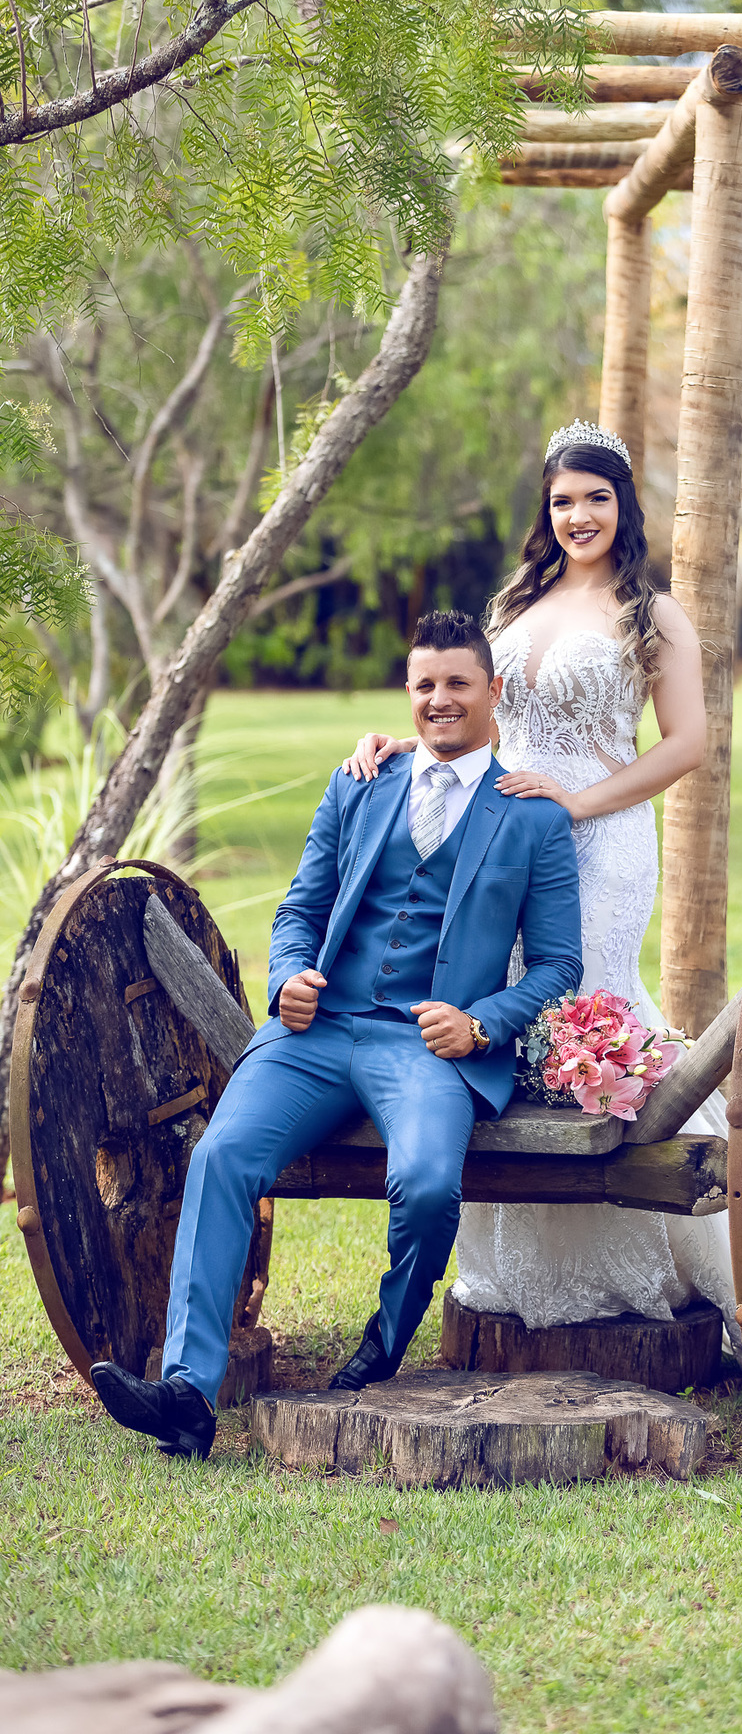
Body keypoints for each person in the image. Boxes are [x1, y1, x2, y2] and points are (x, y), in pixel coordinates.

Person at [90, 610, 583, 1460]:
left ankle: (384, 1343)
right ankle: (188, 1394)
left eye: (458, 683)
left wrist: (479, 1023)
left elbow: (557, 962)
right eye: (424, 684)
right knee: (220, 1156)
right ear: (407, 691)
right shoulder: (358, 782)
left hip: (426, 1048)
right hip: (317, 1034)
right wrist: (288, 979)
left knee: (427, 1183)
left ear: (494, 691)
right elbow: (299, 909)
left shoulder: (531, 818)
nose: (440, 699)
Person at [342, 420, 740, 1348]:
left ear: (623, 505)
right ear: (547, 510)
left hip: (600, 838)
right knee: (504, 1013)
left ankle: (637, 1251)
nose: (578, 515)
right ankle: (521, 1260)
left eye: (596, 497)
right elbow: (477, 711)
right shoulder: (515, 601)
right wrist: (404, 744)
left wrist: (580, 801)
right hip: (501, 837)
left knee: (585, 1007)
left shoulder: (653, 614)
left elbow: (688, 743)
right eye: (563, 500)